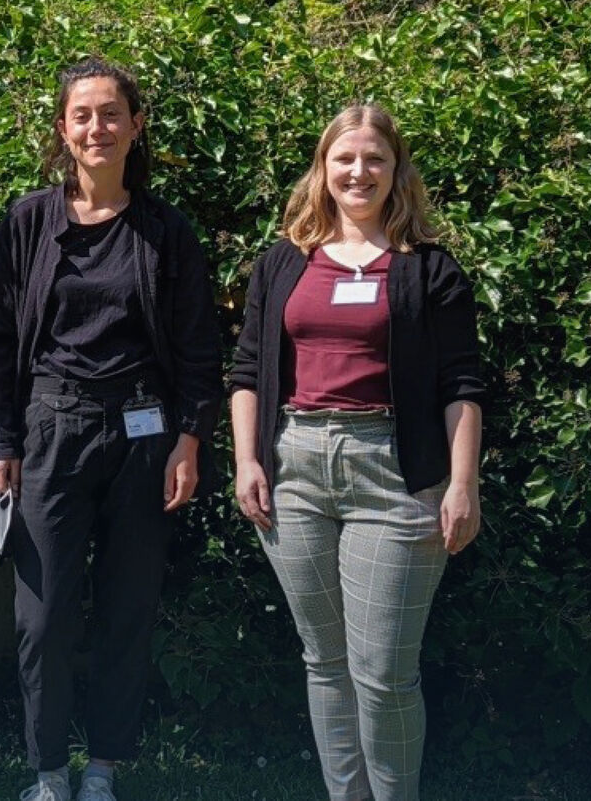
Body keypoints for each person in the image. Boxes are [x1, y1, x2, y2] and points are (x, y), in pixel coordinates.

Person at [0, 59, 222, 801]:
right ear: (62, 128)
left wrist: (189, 436)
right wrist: (0, 439)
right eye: (82, 115)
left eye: (111, 114)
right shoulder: (28, 222)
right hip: (50, 427)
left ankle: (105, 767)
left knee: (127, 607)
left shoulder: (164, 232)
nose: (97, 128)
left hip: (144, 435)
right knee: (42, 616)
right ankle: (49, 771)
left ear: (136, 126)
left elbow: (199, 343)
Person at [228, 103, 488, 801]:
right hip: (295, 466)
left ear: (396, 171)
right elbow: (248, 371)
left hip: (395, 472)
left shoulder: (429, 270)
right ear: (323, 168)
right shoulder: (284, 262)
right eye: (345, 158)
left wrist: (462, 484)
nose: (359, 171)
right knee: (325, 662)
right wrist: (247, 460)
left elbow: (462, 384)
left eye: (375, 158)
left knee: (383, 670)